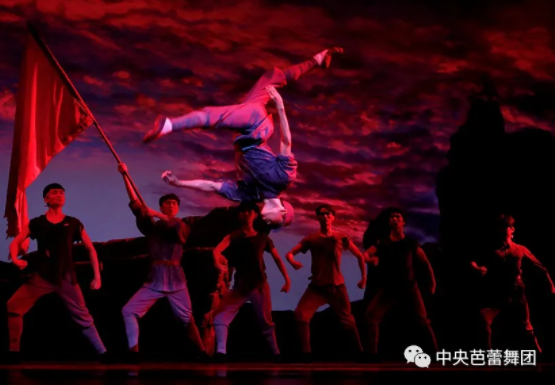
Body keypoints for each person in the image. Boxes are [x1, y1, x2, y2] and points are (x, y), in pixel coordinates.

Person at [145, 47, 344, 229]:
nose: (269, 224)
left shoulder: (247, 195)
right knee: (213, 116)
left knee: (272, 77)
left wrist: (180, 183)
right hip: (256, 128)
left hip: (243, 134)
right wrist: (280, 106)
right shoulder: (282, 180)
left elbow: (212, 185)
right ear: (283, 212)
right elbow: (286, 141)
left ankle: (317, 60)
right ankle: (168, 125)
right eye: (275, 223)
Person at [6, 183, 108, 362]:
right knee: (13, 306)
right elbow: (16, 242)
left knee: (83, 316)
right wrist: (14, 259)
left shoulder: (73, 223)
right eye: (54, 193)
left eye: (62, 192)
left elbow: (90, 249)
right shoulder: (37, 223)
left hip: (66, 277)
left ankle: (103, 353)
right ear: (46, 198)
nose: (59, 195)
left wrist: (97, 277)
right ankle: (13, 353)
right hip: (42, 276)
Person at [118, 163, 207, 363]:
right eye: (167, 203)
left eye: (174, 204)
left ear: (177, 208)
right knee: (129, 311)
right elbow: (136, 204)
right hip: (155, 279)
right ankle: (134, 352)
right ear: (161, 206)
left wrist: (155, 214)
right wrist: (125, 175)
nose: (171, 206)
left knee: (187, 318)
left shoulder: (181, 225)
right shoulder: (153, 227)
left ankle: (202, 353)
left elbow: (175, 227)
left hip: (176, 280)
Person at [211, 202, 291, 361]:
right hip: (241, 285)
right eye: (243, 212)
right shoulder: (234, 236)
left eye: (250, 211)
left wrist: (287, 280)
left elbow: (277, 258)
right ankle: (221, 352)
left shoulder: (262, 237)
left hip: (259, 284)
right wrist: (217, 264)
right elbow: (216, 250)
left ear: (255, 215)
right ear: (239, 215)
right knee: (220, 317)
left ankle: (276, 354)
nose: (246, 214)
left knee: (266, 321)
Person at [286, 204, 366, 361]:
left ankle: (359, 352)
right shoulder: (311, 239)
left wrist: (364, 278)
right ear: (318, 218)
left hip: (337, 287)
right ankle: (306, 353)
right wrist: (293, 262)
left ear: (333, 217)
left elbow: (359, 256)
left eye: (328, 214)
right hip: (317, 288)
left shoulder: (341, 237)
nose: (325, 216)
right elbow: (289, 254)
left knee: (347, 320)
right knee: (300, 314)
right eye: (322, 214)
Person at [471, 214, 555, 352]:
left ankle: (539, 353)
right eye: (502, 227)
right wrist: (477, 268)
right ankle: (488, 354)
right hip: (498, 294)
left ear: (512, 229)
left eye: (507, 227)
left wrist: (550, 284)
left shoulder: (519, 249)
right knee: (483, 319)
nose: (504, 229)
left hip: (517, 294)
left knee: (527, 328)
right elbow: (474, 261)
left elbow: (540, 267)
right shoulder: (492, 250)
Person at [362, 208, 438, 359]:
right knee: (370, 317)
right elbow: (365, 254)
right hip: (388, 290)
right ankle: (371, 355)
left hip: (409, 289)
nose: (395, 219)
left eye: (398, 217)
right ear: (389, 222)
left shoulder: (411, 243)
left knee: (422, 321)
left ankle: (435, 353)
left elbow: (425, 263)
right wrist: (370, 260)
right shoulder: (383, 243)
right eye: (392, 217)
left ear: (403, 222)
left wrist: (432, 283)